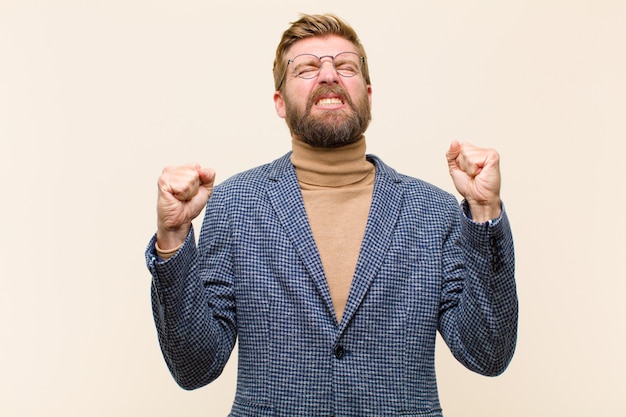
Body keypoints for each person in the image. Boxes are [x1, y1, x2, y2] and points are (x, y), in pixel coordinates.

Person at [145, 13, 518, 417]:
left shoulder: (433, 210)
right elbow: (194, 367)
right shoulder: (236, 204)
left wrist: (483, 212)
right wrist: (174, 238)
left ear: (368, 95)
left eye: (345, 66)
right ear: (280, 102)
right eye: (307, 67)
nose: (328, 74)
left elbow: (489, 353)